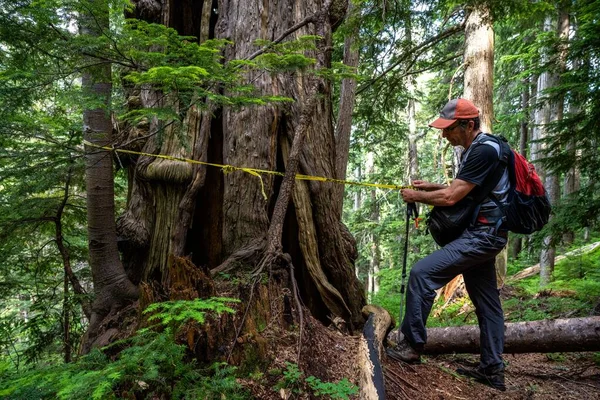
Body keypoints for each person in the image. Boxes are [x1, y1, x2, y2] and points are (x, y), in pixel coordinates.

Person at [387, 98, 509, 391]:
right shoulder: (480, 148)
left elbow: (452, 198)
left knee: (422, 274)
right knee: (487, 303)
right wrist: (431, 187)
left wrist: (417, 197)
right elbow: (464, 189)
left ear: (468, 125)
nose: (445, 135)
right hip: (488, 234)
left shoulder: (483, 151)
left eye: (449, 129)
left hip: (481, 236)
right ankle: (493, 371)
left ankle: (411, 346)